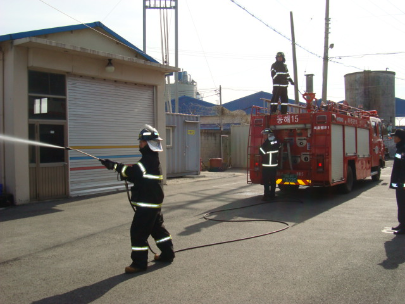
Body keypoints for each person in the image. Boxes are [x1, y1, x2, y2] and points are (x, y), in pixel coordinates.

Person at [100, 124, 175, 273]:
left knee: (138, 233)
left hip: (148, 204)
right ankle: (167, 254)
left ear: (148, 144)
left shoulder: (148, 160)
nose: (139, 144)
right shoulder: (151, 159)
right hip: (153, 202)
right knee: (158, 230)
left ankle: (139, 264)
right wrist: (117, 168)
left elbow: (133, 172)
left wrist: (113, 166)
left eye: (141, 142)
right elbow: (140, 177)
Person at [389, 129, 405, 235]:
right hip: (399, 181)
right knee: (400, 203)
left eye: (395, 136)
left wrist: (401, 182)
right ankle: (402, 224)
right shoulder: (400, 148)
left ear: (400, 138)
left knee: (403, 204)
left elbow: (403, 168)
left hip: (402, 182)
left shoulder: (403, 149)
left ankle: (404, 227)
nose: (394, 138)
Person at [259, 128, 281, 201]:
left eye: (265, 135)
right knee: (272, 181)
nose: (264, 136)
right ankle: (272, 195)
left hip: (266, 165)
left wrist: (260, 148)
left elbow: (261, 152)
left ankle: (266, 196)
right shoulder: (276, 141)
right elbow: (279, 147)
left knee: (266, 181)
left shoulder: (266, 143)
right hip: (274, 165)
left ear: (269, 135)